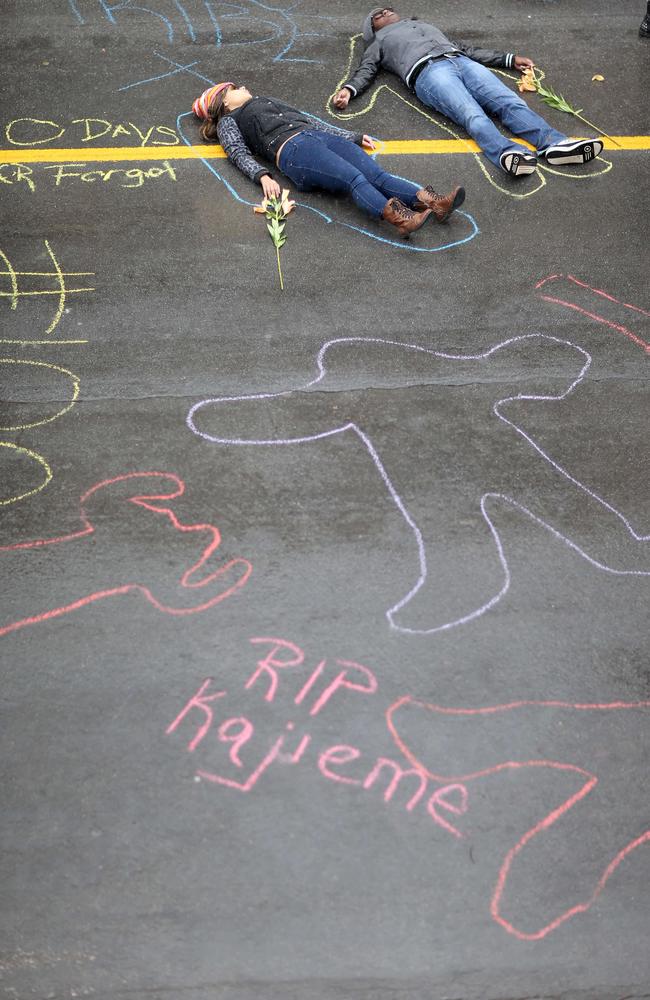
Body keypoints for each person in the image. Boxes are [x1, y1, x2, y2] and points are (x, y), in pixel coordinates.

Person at [333, 8, 604, 177]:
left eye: (386, 9)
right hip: (428, 72)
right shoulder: (379, 42)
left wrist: (508, 59)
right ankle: (505, 154)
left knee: (510, 102)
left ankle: (555, 144)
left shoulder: (425, 25)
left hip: (461, 61)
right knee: (472, 115)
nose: (383, 11)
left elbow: (466, 48)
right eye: (376, 15)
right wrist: (349, 89)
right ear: (372, 30)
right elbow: (366, 69)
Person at [193, 82, 466, 239]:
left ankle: (435, 204)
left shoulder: (265, 100)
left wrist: (353, 136)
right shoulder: (229, 121)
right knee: (353, 179)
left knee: (378, 176)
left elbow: (309, 120)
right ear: (224, 102)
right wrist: (262, 175)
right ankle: (402, 220)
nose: (243, 86)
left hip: (313, 136)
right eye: (234, 88)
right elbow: (237, 152)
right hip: (293, 151)